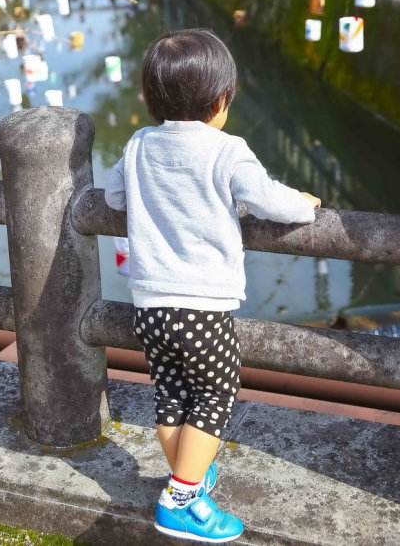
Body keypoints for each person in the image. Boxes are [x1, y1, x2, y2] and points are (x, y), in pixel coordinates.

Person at [105, 29, 321, 542]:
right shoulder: (227, 150)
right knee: (216, 394)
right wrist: (306, 204)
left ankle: (189, 476)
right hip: (201, 306)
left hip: (150, 303)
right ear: (221, 99)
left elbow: (113, 198)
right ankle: (180, 500)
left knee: (171, 394)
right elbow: (270, 200)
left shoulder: (138, 145)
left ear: (152, 97)